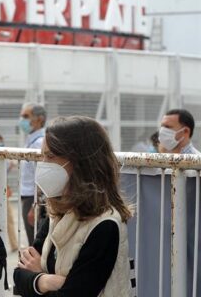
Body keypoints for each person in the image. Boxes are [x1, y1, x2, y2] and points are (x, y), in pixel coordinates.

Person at [13, 116, 132, 296]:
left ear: (81, 162)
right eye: (42, 156)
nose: (43, 164)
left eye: (50, 156)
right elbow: (18, 276)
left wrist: (36, 279)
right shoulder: (58, 212)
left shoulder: (105, 226)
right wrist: (45, 280)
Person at [19, 103, 47, 245]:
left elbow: (41, 177)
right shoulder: (32, 141)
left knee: (35, 242)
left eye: (26, 116)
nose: (21, 120)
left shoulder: (39, 143)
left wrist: (34, 206)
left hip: (33, 198)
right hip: (28, 196)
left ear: (40, 119)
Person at [0, 133, 19, 252]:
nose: (0, 143)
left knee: (9, 217)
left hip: (2, 189)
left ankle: (14, 244)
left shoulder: (3, 155)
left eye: (1, 141)